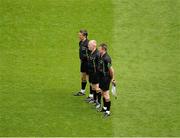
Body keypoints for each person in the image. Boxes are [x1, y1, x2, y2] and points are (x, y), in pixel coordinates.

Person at [74, 30, 93, 99]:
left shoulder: (88, 43)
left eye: (80, 35)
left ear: (84, 36)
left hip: (88, 63)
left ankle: (91, 95)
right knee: (83, 77)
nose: (79, 36)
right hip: (83, 62)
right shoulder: (80, 42)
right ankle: (82, 91)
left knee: (89, 79)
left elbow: (92, 53)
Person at [98, 43, 116, 117]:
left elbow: (111, 69)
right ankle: (104, 108)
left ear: (103, 49)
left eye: (99, 48)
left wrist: (113, 78)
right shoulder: (100, 55)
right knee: (102, 92)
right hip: (101, 77)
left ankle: (108, 111)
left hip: (105, 78)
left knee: (106, 94)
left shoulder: (107, 58)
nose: (98, 49)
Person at [87, 40, 101, 109]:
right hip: (91, 73)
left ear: (94, 46)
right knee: (92, 87)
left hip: (95, 74)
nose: (88, 46)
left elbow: (99, 65)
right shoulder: (91, 52)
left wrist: (97, 74)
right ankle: (94, 100)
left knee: (97, 88)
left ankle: (99, 102)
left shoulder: (97, 54)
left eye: (89, 45)